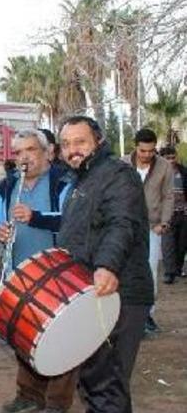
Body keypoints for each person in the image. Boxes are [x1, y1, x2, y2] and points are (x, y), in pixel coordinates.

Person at [58, 116, 153, 412]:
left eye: (80, 142)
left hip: (119, 292)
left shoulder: (117, 175)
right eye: (66, 144)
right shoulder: (82, 180)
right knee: (95, 382)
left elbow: (121, 224)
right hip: (92, 293)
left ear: (98, 142)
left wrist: (107, 266)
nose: (72, 149)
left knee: (107, 384)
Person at [0, 129, 75, 413]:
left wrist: (35, 217)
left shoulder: (64, 182)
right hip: (20, 273)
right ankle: (29, 395)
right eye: (19, 152)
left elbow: (71, 221)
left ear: (47, 152)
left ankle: (58, 402)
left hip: (57, 273)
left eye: (31, 150)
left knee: (61, 338)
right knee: (24, 335)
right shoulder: (7, 185)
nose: (24, 158)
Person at [121, 128, 173, 333]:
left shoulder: (165, 166)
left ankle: (147, 316)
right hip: (125, 225)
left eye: (151, 151)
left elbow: (168, 196)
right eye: (143, 151)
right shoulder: (122, 164)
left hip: (152, 226)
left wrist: (164, 223)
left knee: (149, 270)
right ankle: (124, 315)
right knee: (124, 269)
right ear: (136, 147)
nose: (147, 155)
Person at [160, 146, 187, 283]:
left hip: (183, 213)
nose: (171, 160)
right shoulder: (157, 174)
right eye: (167, 158)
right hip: (166, 215)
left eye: (172, 157)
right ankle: (169, 273)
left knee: (182, 244)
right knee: (168, 244)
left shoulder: (183, 171)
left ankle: (178, 268)